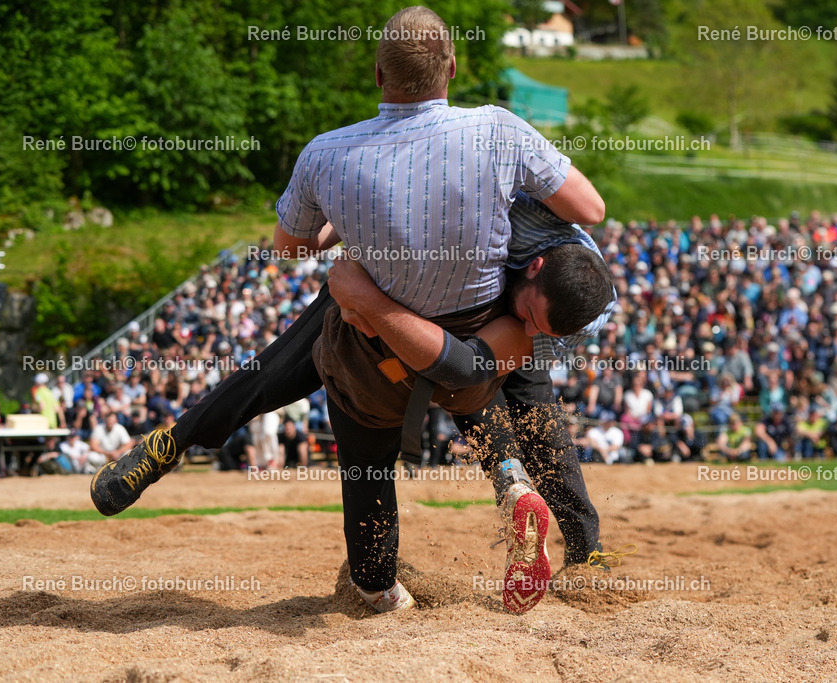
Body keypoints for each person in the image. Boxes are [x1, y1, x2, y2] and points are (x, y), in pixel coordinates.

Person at [93, 6, 612, 616]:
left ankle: (178, 443)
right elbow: (590, 208)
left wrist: (345, 225)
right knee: (530, 404)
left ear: (377, 74)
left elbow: (288, 250)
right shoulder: (498, 129)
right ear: (452, 68)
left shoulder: (326, 154)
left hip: (376, 326)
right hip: (480, 321)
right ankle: (574, 539)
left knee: (277, 371)